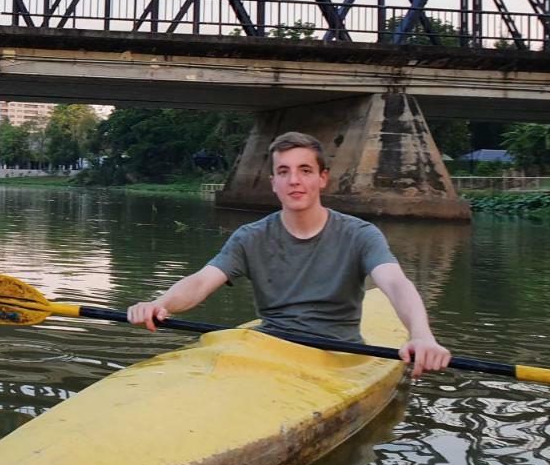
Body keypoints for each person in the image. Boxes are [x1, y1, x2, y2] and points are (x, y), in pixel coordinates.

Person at [126, 131, 451, 377]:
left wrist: (421, 335)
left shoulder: (359, 234)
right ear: (274, 182)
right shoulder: (250, 237)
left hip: (338, 357)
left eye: (305, 170)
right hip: (270, 350)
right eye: (284, 172)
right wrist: (159, 304)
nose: (294, 180)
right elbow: (200, 283)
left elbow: (395, 283)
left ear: (322, 178)